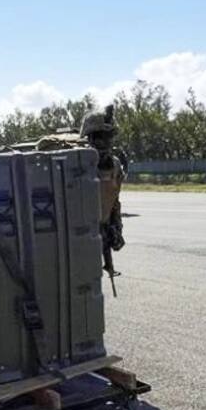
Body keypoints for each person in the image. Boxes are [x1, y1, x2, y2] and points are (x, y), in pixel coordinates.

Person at [79, 106, 126, 288]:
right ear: (89, 138)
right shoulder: (77, 166)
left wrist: (116, 229)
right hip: (80, 238)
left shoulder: (114, 166)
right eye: (99, 137)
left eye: (108, 137)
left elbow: (114, 202)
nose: (104, 142)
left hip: (101, 234)